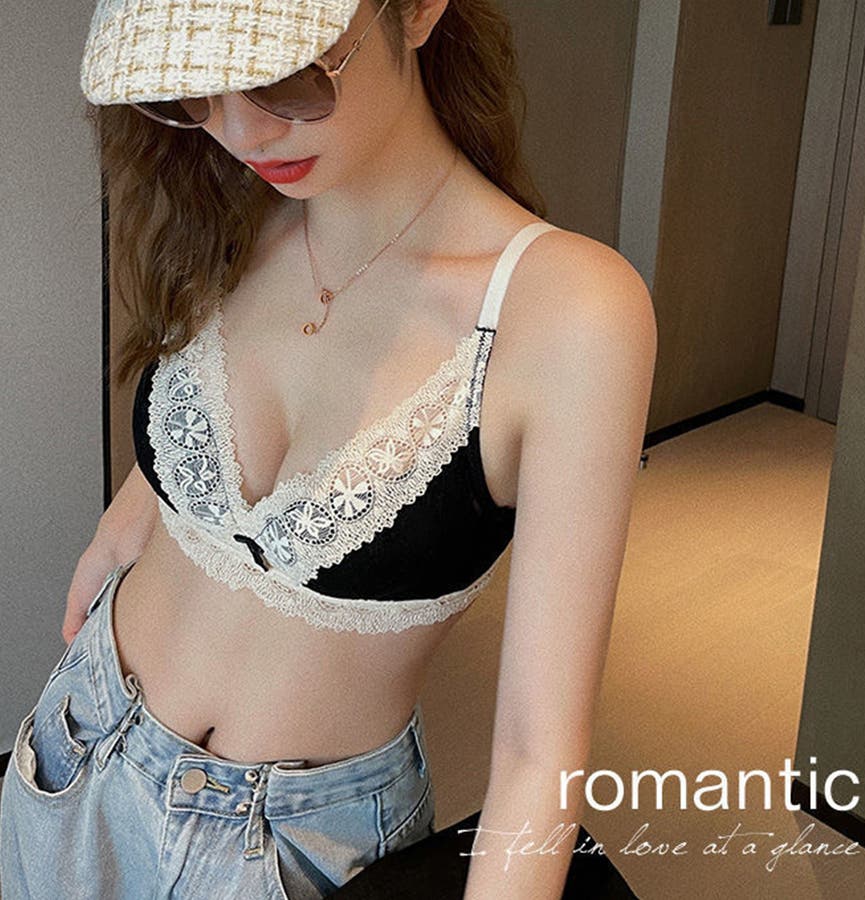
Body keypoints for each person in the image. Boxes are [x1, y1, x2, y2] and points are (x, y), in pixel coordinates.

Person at [0, 0, 657, 897]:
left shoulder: (568, 313)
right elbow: (199, 407)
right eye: (195, 89)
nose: (241, 132)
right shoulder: (230, 209)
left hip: (293, 854)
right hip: (75, 747)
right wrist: (137, 503)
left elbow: (538, 754)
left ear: (416, 9)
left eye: (286, 77)